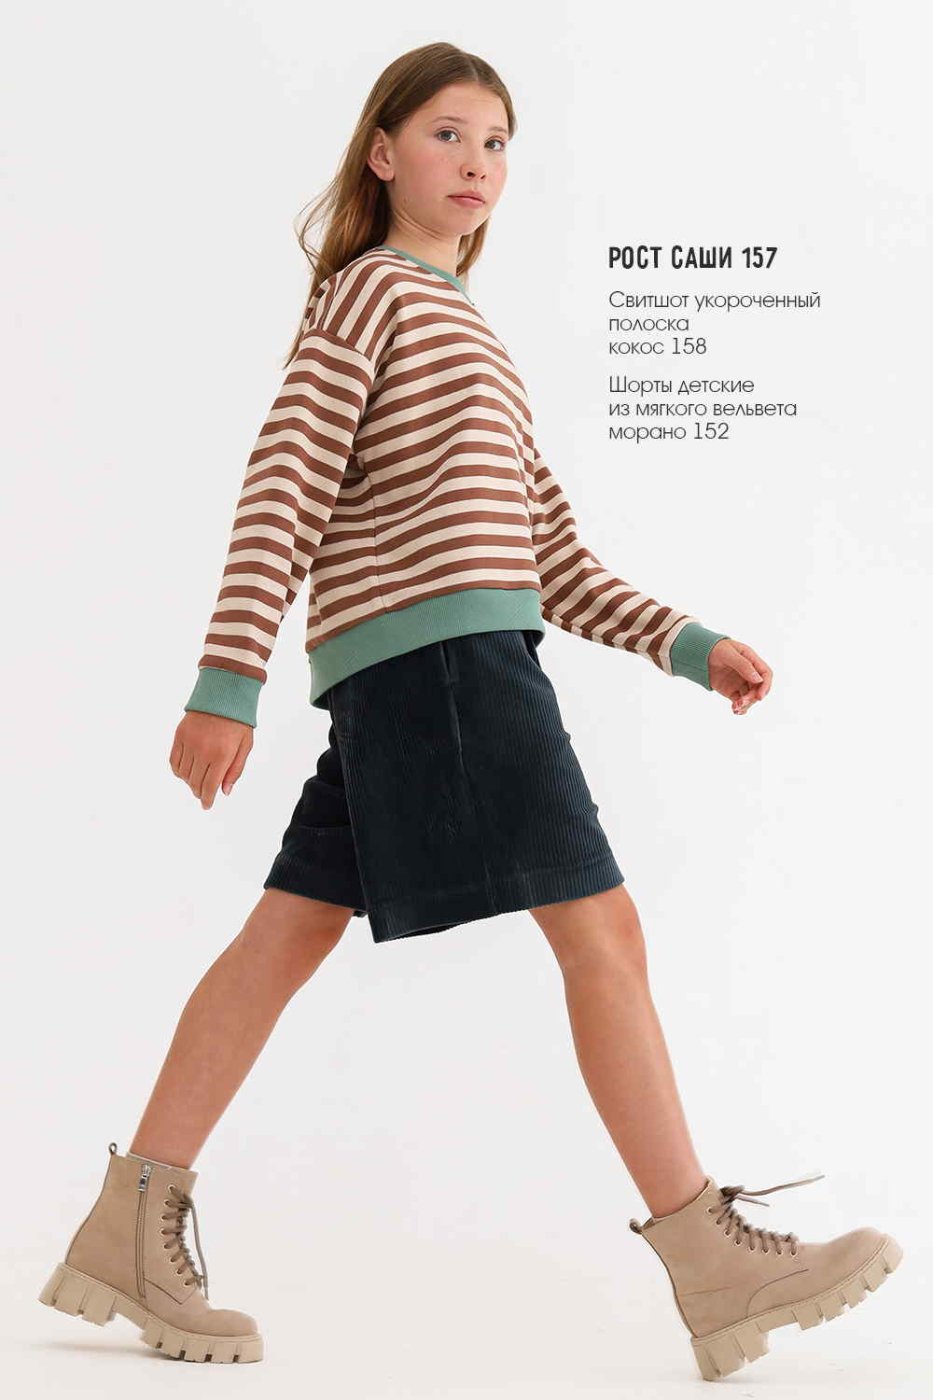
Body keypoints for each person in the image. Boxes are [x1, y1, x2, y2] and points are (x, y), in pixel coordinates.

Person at [38, 41, 901, 1377]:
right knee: (601, 930)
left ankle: (126, 1228)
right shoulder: (369, 295)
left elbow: (546, 555)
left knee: (282, 938)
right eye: (448, 134)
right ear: (382, 152)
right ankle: (710, 1262)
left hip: (439, 667)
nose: (478, 163)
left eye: (497, 142)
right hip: (443, 671)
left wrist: (686, 643)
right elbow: (283, 485)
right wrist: (225, 679)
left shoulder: (466, 328)